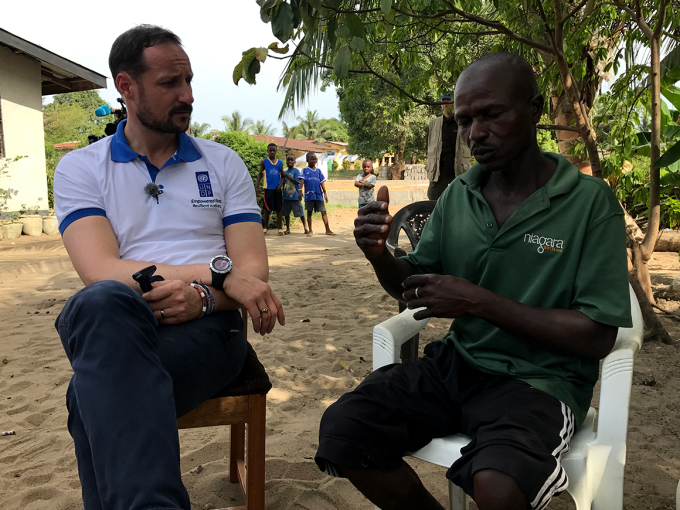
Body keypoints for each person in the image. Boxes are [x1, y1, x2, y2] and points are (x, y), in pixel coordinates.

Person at [315, 52, 632, 510]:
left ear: (535, 109)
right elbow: (412, 287)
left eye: (491, 115)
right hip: (457, 367)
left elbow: (597, 336)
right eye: (464, 121)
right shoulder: (459, 195)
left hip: (541, 384)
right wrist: (380, 254)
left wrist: (480, 303)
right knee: (346, 428)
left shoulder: (589, 203)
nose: (475, 133)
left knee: (498, 486)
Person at [52, 25, 285, 510]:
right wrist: (216, 277)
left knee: (89, 397)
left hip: (211, 331)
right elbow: (100, 270)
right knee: (101, 301)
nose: (188, 96)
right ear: (126, 87)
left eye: (190, 81)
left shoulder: (222, 164)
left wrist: (205, 300)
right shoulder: (81, 168)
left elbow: (253, 272)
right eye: (170, 84)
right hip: (122, 320)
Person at [425, 90, 472, 200]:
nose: (445, 105)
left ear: (454, 103)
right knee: (433, 201)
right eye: (443, 102)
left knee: (460, 201)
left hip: (458, 170)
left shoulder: (463, 122)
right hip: (438, 172)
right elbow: (427, 146)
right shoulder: (433, 123)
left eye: (448, 101)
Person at [255, 142, 285, 236]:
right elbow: (260, 174)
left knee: (279, 209)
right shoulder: (264, 162)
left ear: (276, 151)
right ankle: (265, 228)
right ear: (267, 151)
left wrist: (280, 185)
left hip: (277, 190)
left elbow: (283, 175)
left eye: (274, 150)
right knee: (267, 209)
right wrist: (256, 186)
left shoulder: (280, 163)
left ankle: (280, 229)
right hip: (268, 188)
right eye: (270, 150)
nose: (272, 152)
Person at [303, 152, 335, 236]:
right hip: (309, 195)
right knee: (309, 212)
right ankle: (310, 230)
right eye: (312, 159)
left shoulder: (318, 171)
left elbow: (322, 183)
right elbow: (302, 180)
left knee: (323, 212)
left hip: (318, 195)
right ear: (307, 160)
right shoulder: (304, 170)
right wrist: (300, 191)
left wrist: (325, 193)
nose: (314, 160)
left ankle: (327, 230)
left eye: (315, 158)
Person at [281, 153, 309, 234]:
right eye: (288, 160)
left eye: (291, 160)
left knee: (300, 212)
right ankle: (288, 229)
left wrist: (286, 175)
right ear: (286, 161)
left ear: (294, 162)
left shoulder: (296, 171)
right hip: (286, 196)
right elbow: (282, 182)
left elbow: (296, 182)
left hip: (295, 196)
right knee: (286, 214)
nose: (290, 161)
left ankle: (305, 228)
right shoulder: (284, 172)